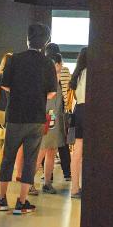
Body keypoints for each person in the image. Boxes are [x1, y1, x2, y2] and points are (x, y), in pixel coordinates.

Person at [0, 23, 59, 215]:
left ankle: (2, 199)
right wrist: (37, 94)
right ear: (45, 42)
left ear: (27, 39)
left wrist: (20, 92)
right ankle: (22, 202)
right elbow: (52, 94)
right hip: (36, 118)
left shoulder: (14, 59)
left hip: (15, 116)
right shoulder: (48, 64)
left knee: (8, 157)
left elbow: (5, 86)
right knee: (30, 160)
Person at [37, 53, 67, 194]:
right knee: (43, 150)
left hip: (52, 118)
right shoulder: (50, 80)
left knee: (50, 150)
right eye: (61, 63)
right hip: (49, 118)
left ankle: (47, 182)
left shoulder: (54, 79)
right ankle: (29, 183)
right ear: (56, 64)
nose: (62, 66)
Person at [44, 43, 72, 181]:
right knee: (62, 142)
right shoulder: (65, 70)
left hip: (48, 111)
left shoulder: (44, 71)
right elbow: (69, 90)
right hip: (62, 111)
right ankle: (67, 172)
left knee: (46, 144)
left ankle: (48, 175)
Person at [69, 47, 87, 199]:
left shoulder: (77, 74)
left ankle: (74, 187)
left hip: (79, 111)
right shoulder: (92, 73)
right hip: (90, 111)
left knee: (77, 151)